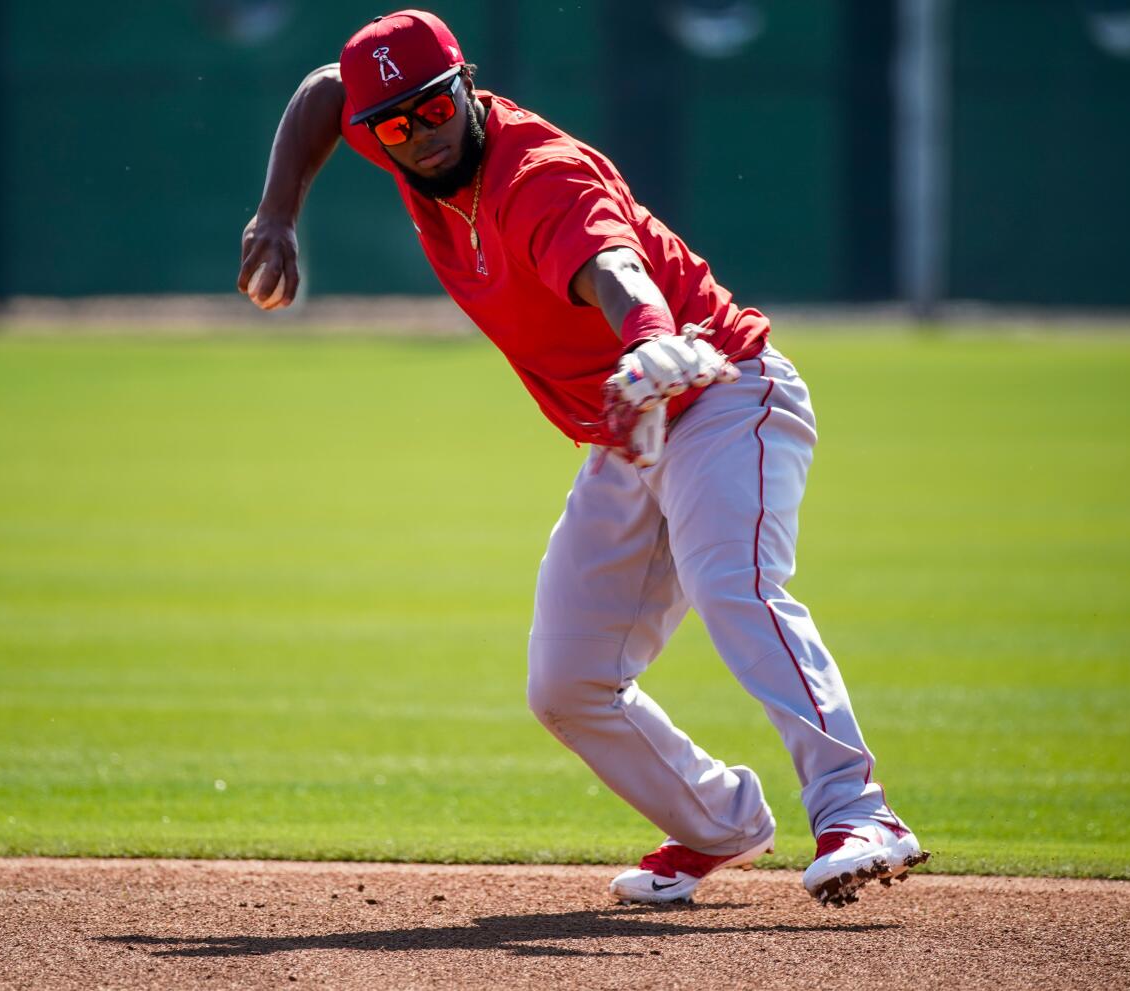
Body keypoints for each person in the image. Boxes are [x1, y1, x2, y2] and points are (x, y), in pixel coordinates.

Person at [237, 9, 927, 907]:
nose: (425, 132)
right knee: (568, 682)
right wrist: (277, 211)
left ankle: (860, 812)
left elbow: (616, 269)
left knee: (737, 585)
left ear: (467, 85)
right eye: (397, 124)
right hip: (627, 433)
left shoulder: (540, 178)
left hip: (721, 390)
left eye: (438, 106)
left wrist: (647, 338)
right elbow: (326, 91)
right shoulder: (397, 130)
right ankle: (719, 822)